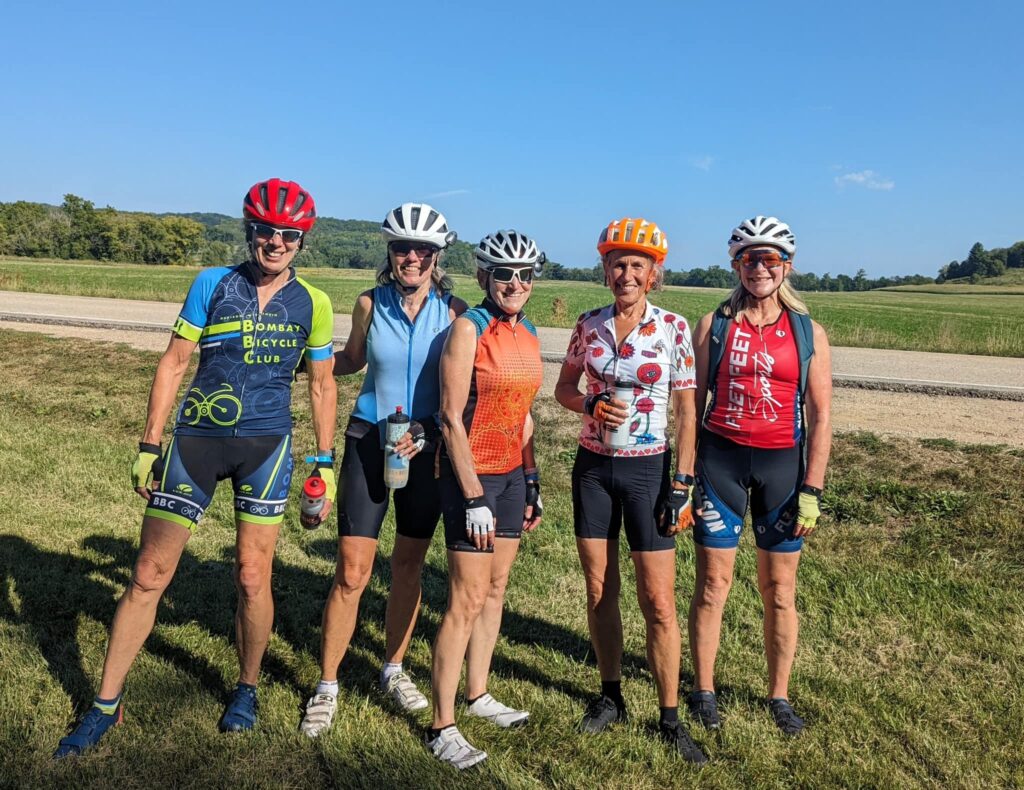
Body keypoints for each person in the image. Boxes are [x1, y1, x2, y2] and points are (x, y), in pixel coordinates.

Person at [54, 178, 338, 757]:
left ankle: (247, 688)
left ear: (302, 241)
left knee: (252, 577)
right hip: (197, 442)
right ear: (250, 231)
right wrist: (149, 443)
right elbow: (174, 363)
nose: (275, 242)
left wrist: (324, 462)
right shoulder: (212, 284)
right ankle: (106, 704)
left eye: (288, 234)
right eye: (265, 231)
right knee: (148, 573)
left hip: (268, 448)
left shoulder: (315, 302)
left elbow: (322, 384)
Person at [298, 203, 466, 737]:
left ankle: (392, 668)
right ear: (389, 254)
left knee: (408, 567)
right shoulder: (370, 303)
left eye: (422, 250)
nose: (411, 258)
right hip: (371, 439)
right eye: (401, 248)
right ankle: (327, 684)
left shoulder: (457, 310)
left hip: (425, 445)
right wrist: (301, 360)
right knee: (352, 570)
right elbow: (350, 359)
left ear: (438, 257)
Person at [554, 218, 706, 764]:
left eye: (637, 265)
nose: (626, 273)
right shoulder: (588, 325)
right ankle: (610, 695)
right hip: (594, 467)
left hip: (649, 472)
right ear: (605, 270)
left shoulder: (672, 327)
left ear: (653, 273)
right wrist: (590, 405)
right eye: (617, 264)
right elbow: (564, 389)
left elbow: (688, 410)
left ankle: (669, 717)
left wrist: (682, 483)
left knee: (658, 602)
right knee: (599, 590)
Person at [686, 215, 832, 736]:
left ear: (787, 266)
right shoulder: (714, 325)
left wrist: (812, 488)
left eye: (770, 259)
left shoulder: (807, 331)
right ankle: (703, 690)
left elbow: (821, 415)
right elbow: (690, 405)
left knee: (780, 590)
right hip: (720, 464)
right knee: (713, 585)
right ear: (736, 265)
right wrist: (684, 477)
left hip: (782, 469)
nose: (760, 268)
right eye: (750, 258)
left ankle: (779, 696)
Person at [426, 230, 545, 770]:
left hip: (511, 475)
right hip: (469, 477)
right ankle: (441, 724)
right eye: (504, 274)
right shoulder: (467, 329)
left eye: (524, 275)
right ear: (483, 278)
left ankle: (479, 694)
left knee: (496, 588)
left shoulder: (530, 332)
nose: (515, 284)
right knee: (465, 599)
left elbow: (523, 413)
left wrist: (533, 478)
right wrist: (473, 495)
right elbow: (449, 418)